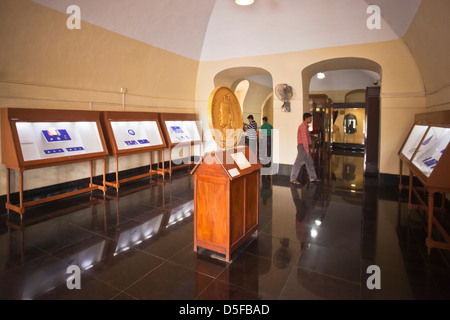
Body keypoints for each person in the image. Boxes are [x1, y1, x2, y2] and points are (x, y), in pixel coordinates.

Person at [290, 112, 320, 184]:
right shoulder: (303, 127)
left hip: (305, 147)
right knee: (298, 162)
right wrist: (307, 151)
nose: (311, 119)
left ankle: (313, 178)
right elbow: (304, 139)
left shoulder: (305, 126)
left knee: (309, 162)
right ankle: (293, 178)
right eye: (310, 118)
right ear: (306, 118)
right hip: (303, 147)